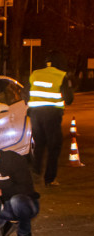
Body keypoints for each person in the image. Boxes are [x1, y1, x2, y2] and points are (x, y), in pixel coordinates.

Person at [28, 50, 74, 187]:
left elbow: (26, 92)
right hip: (52, 116)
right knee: (54, 147)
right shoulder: (61, 76)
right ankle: (50, 178)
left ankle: (35, 173)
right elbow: (69, 99)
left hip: (35, 114)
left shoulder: (35, 74)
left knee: (39, 145)